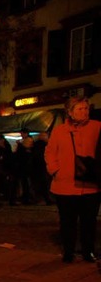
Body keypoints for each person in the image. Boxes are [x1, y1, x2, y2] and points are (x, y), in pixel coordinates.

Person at [44, 96, 100, 263]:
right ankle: (68, 250)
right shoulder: (59, 130)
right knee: (68, 221)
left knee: (89, 221)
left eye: (86, 108)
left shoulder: (97, 127)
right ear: (70, 112)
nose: (85, 112)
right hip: (65, 184)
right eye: (80, 109)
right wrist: (55, 170)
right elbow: (50, 152)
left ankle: (87, 250)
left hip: (90, 184)